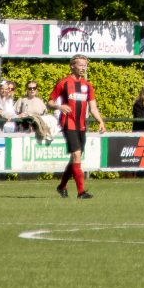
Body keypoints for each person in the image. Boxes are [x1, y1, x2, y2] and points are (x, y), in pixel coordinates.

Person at [50, 57, 103, 200]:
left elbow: (93, 107)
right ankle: (81, 192)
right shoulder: (64, 83)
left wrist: (101, 121)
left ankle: (61, 186)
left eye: (85, 65)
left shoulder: (88, 85)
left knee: (75, 159)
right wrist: (59, 106)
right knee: (77, 155)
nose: (83, 67)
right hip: (69, 124)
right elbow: (50, 102)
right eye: (80, 65)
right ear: (72, 66)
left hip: (82, 126)